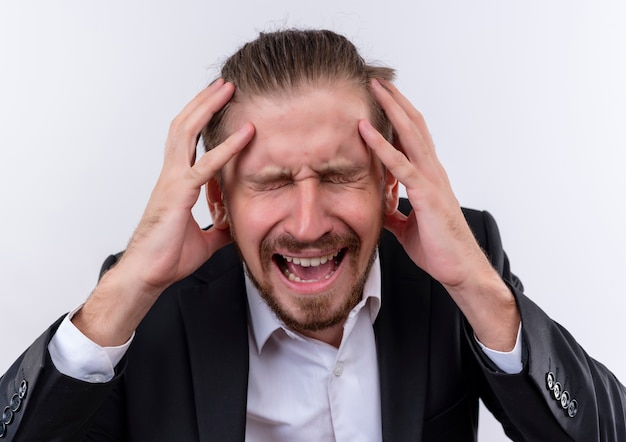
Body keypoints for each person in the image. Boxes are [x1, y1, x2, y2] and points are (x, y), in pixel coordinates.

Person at [0, 29, 624, 441]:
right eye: (271, 183)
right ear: (217, 199)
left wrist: (474, 284)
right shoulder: (146, 301)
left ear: (387, 183)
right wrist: (128, 288)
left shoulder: (456, 266)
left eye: (339, 176)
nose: (308, 223)